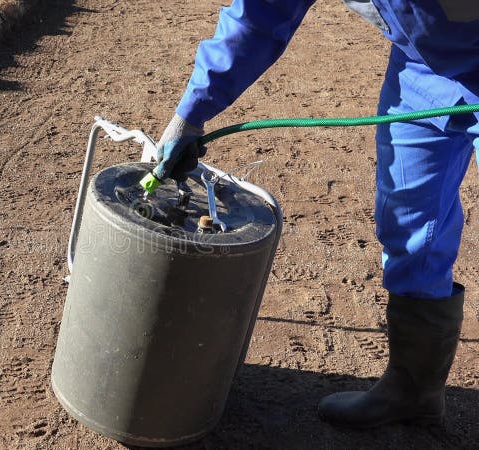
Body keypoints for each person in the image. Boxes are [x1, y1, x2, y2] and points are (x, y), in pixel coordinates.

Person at [154, 0, 479, 428]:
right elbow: (261, 12)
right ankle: (414, 390)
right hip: (423, 70)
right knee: (409, 221)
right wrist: (190, 114)